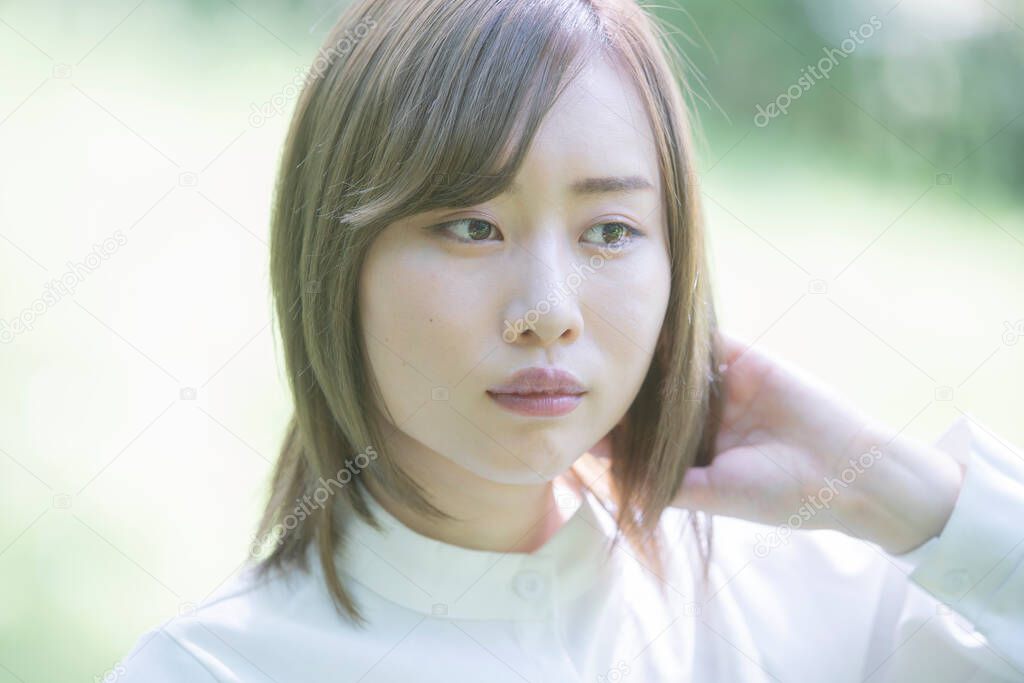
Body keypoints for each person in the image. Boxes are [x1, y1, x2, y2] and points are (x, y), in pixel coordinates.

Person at [117, 0, 1024, 680]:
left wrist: (902, 493)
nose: (546, 310)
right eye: (471, 226)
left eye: (610, 231)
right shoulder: (212, 668)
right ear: (333, 261)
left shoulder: (804, 603)